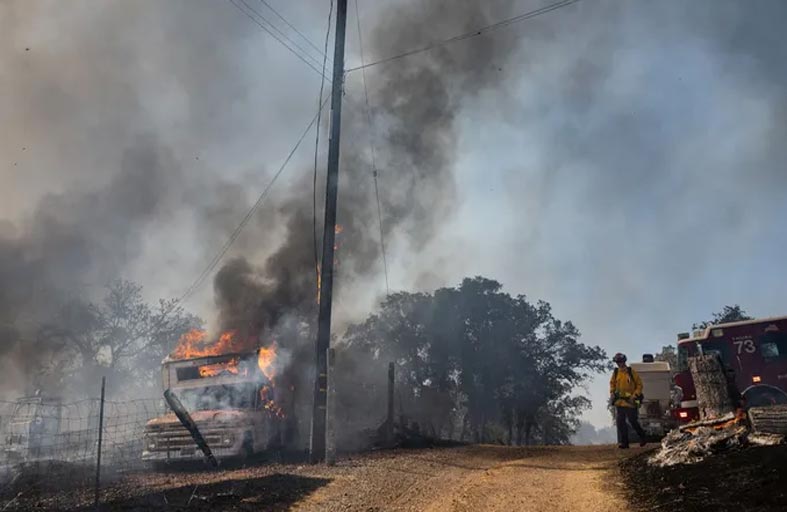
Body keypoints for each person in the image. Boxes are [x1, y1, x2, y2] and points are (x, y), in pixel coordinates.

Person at [609, 352, 647, 448]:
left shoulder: (631, 372)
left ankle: (643, 437)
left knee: (632, 421)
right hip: (619, 402)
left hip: (630, 402)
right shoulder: (616, 373)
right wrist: (612, 392)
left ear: (624, 361)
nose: (619, 363)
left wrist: (635, 395)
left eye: (620, 361)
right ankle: (624, 443)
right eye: (617, 362)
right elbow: (612, 384)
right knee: (620, 422)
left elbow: (639, 385)